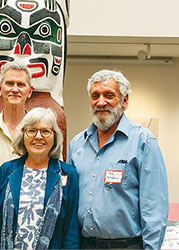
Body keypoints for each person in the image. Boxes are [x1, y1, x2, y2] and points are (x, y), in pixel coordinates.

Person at [67, 69, 169, 249]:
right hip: (84, 245)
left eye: (109, 95)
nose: (101, 102)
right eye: (95, 95)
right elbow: (69, 202)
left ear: (124, 100)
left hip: (126, 245)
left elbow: (154, 210)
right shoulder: (77, 144)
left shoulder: (143, 141)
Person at [0, 107, 80, 249]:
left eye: (45, 131)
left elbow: (71, 230)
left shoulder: (68, 174)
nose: (38, 136)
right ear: (23, 136)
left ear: (55, 137)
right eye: (31, 131)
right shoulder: (6, 171)